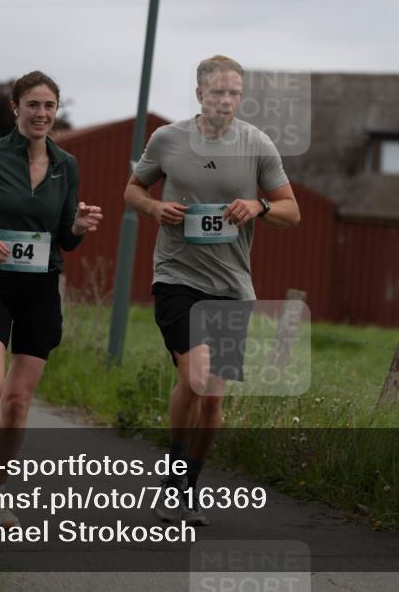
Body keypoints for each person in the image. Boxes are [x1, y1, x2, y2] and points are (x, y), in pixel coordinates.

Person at [124, 55, 300, 526]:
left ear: (240, 98)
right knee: (196, 376)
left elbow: (292, 211)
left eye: (234, 93)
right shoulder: (168, 140)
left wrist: (258, 205)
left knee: (215, 398)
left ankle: (185, 487)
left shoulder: (257, 144)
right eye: (218, 91)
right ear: (199, 93)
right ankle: (174, 475)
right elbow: (133, 191)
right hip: (177, 277)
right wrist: (153, 209)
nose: (226, 100)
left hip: (231, 285)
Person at [0, 71, 102, 529]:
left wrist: (80, 227)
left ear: (56, 111)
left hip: (41, 291)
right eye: (33, 105)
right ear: (16, 109)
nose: (42, 114)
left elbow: (66, 239)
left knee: (17, 402)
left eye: (49, 106)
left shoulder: (67, 164)